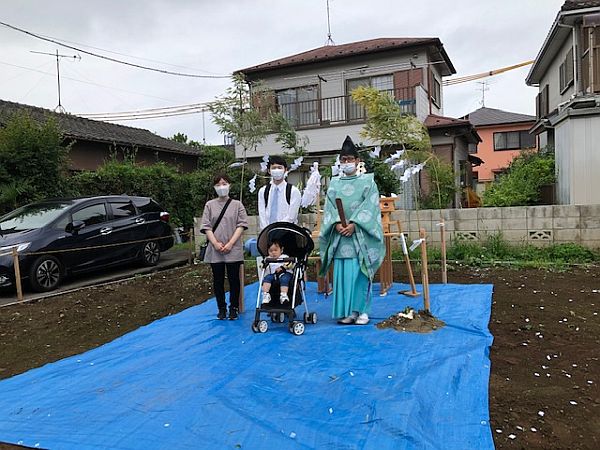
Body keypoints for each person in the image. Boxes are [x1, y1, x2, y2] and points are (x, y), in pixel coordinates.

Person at [319, 136, 385, 325]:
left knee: (360, 273)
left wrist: (355, 224)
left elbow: (371, 207)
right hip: (340, 237)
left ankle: (362, 311)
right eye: (343, 160)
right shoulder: (334, 183)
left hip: (360, 236)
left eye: (350, 159)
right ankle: (346, 311)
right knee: (342, 275)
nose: (347, 163)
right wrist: (337, 224)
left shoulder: (368, 182)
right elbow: (330, 208)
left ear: (357, 161)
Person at [200, 174, 248, 320]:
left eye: (225, 183)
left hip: (233, 248)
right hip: (215, 249)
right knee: (218, 280)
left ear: (230, 185)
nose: (222, 186)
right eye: (219, 184)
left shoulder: (237, 205)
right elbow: (206, 226)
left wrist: (230, 243)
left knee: (234, 280)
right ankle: (221, 308)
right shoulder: (209, 205)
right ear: (215, 187)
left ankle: (234, 307)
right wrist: (215, 243)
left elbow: (241, 225)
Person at [257, 155, 301, 230]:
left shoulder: (293, 191)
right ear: (269, 171)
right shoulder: (263, 191)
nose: (277, 170)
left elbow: (292, 216)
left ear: (285, 170)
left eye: (280, 167)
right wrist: (267, 230)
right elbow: (262, 214)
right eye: (273, 168)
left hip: (287, 231)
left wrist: (278, 229)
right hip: (268, 232)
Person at [260, 239, 293, 305]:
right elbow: (261, 265)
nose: (273, 252)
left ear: (281, 250)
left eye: (275, 250)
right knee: (267, 278)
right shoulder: (268, 259)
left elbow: (290, 263)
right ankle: (266, 294)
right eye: (271, 251)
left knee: (284, 278)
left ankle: (283, 295)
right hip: (273, 275)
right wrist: (263, 265)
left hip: (285, 273)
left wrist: (283, 267)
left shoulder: (285, 257)